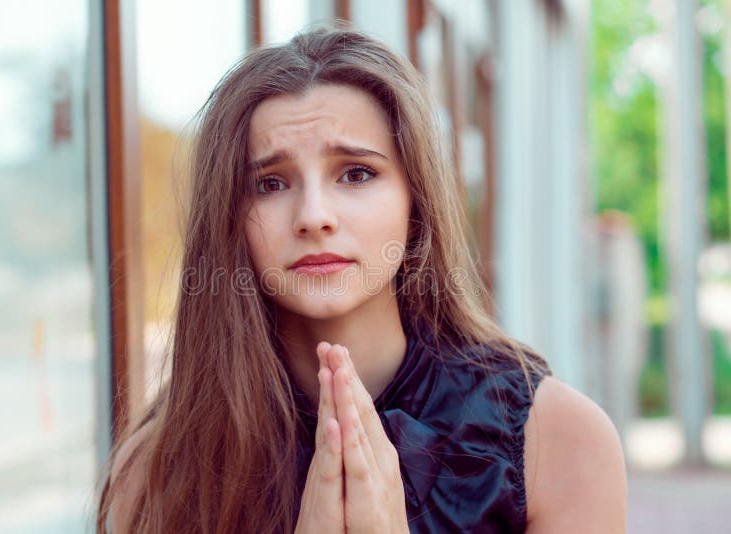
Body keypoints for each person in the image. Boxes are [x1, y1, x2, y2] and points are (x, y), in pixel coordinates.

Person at [96, 22, 626, 534]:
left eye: (356, 173)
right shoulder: (160, 466)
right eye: (271, 183)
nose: (314, 215)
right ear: (229, 220)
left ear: (416, 200)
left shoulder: (557, 440)